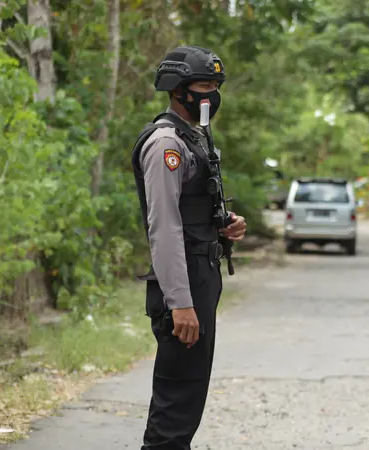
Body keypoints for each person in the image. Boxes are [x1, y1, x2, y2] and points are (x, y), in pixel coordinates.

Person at [130, 45, 247, 450]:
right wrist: (180, 302)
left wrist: (224, 228)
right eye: (203, 85)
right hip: (182, 285)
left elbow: (191, 212)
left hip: (201, 274)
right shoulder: (166, 145)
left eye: (216, 86)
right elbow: (163, 227)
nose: (211, 95)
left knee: (189, 397)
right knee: (175, 403)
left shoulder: (192, 138)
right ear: (176, 89)